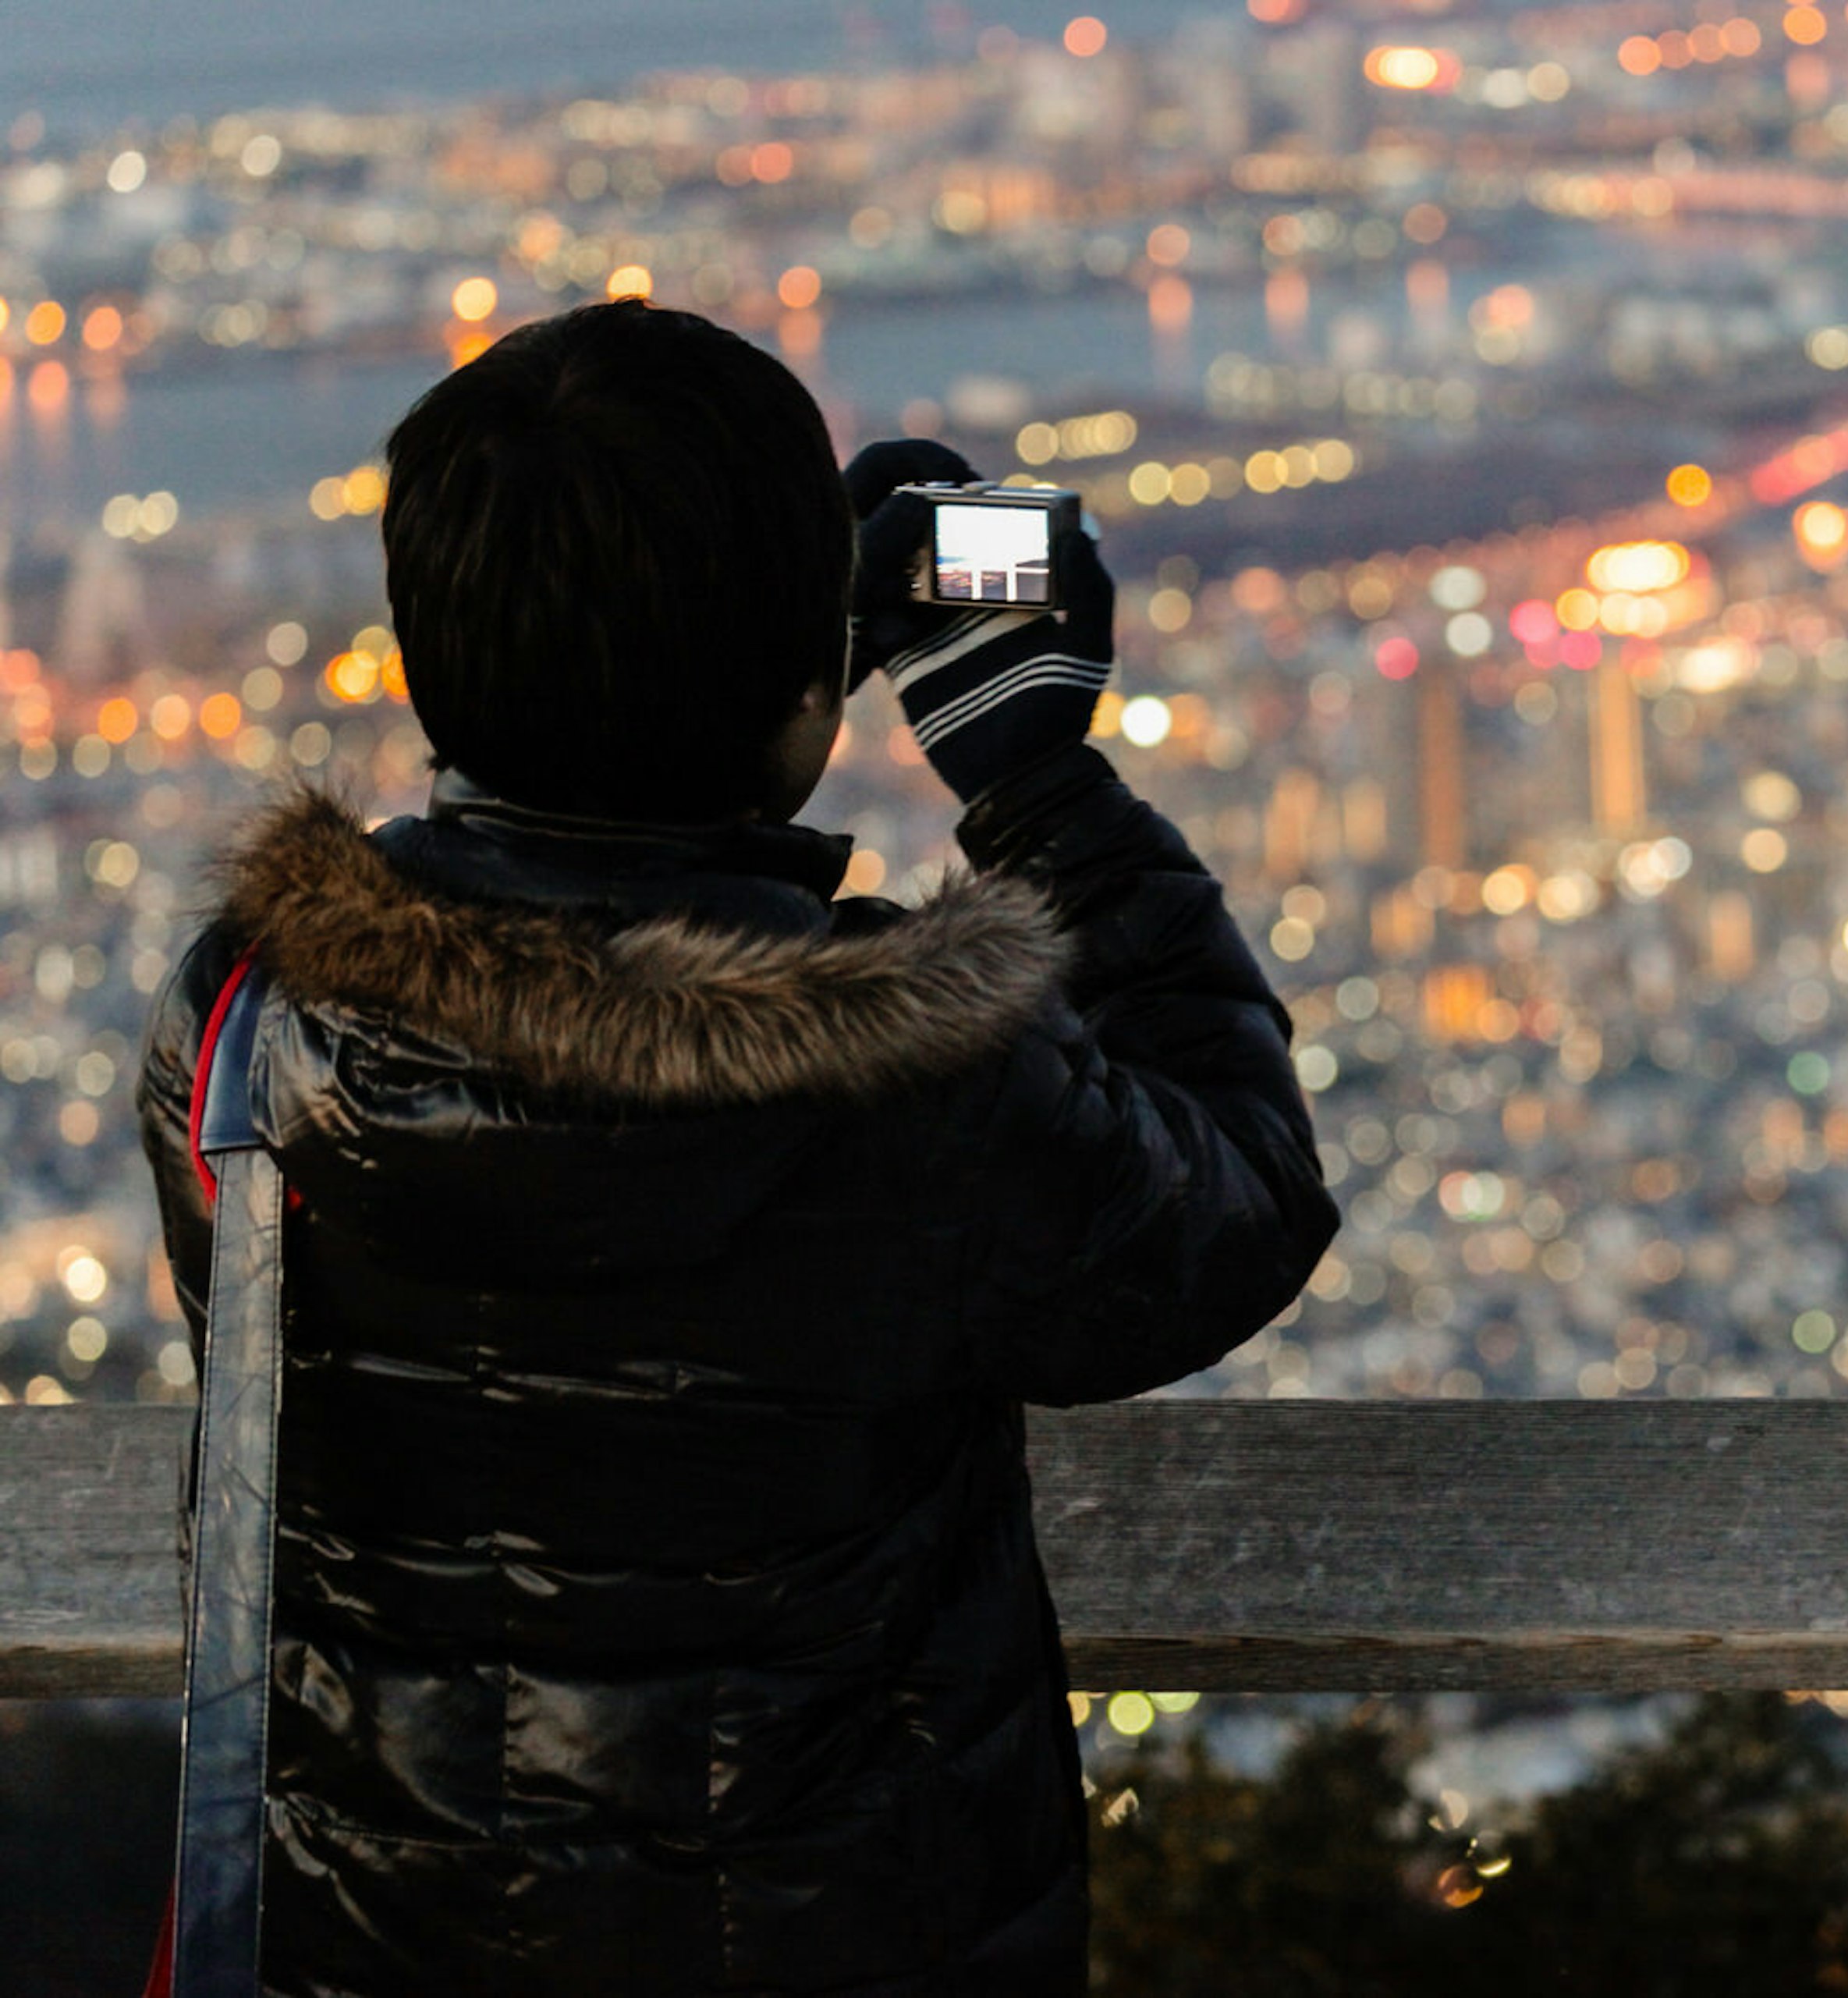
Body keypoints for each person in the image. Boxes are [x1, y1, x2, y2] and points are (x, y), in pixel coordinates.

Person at [134, 299, 1339, 1994]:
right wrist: (1038, 784)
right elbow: (1238, 1209)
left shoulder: (250, 1025)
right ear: (807, 693)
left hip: (379, 1940)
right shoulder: (906, 1085)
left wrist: (708, 677)